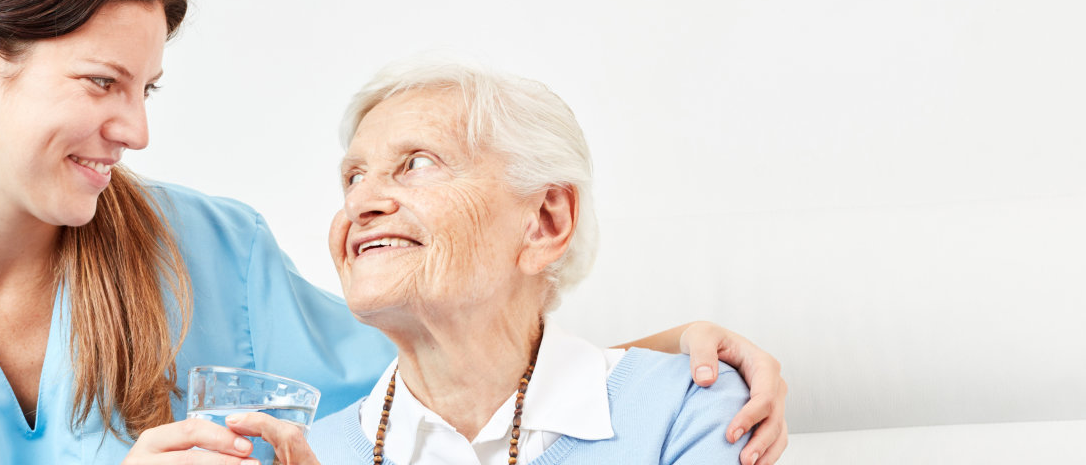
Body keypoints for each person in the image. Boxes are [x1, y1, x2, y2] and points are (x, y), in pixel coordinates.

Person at [0, 0, 787, 465]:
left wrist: (645, 365)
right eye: (103, 83)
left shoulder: (211, 248)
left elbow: (438, 381)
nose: (136, 131)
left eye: (147, 92)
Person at [306, 60, 755, 465]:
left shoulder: (685, 408)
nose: (359, 203)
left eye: (417, 163)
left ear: (544, 222)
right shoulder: (307, 453)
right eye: (354, 177)